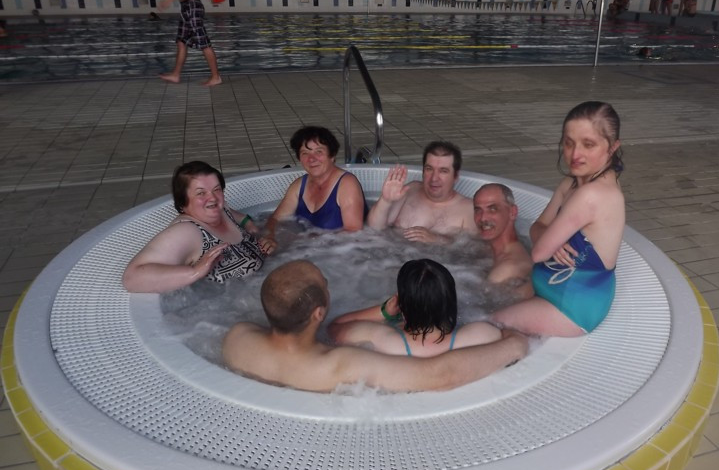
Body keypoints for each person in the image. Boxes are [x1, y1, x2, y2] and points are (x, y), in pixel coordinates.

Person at [222, 260, 529, 392]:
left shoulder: (238, 337)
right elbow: (440, 375)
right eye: (326, 285)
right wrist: (514, 344)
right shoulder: (344, 364)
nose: (329, 288)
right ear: (318, 313)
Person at [492, 102, 625, 337]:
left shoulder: (592, 195)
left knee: (490, 324)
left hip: (572, 306)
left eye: (588, 144)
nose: (575, 154)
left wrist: (547, 242)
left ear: (613, 147)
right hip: (553, 288)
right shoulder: (572, 183)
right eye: (569, 142)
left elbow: (539, 253)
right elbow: (537, 227)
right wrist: (549, 239)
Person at [123, 161, 269, 293]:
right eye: (201, 193)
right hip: (232, 303)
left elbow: (242, 219)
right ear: (183, 201)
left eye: (217, 189)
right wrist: (195, 272)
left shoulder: (222, 209)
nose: (213, 198)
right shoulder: (187, 231)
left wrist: (255, 231)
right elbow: (132, 278)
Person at [329, 258, 508, 356]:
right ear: (450, 300)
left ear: (403, 304)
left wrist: (384, 311)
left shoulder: (386, 342)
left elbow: (334, 327)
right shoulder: (480, 334)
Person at [263, 126, 367, 250]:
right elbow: (275, 219)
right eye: (305, 153)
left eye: (319, 152)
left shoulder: (347, 184)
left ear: (332, 155)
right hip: (311, 250)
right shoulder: (298, 186)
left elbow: (353, 233)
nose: (311, 159)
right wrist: (270, 236)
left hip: (343, 253)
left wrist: (307, 241)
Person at [367, 141, 477, 243]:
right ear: (423, 171)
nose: (434, 178)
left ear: (455, 176)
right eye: (429, 169)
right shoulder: (410, 191)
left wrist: (437, 240)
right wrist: (385, 201)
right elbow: (373, 230)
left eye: (443, 171)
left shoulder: (468, 209)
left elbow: (473, 250)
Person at [473, 183, 533, 296]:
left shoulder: (505, 271)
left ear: (512, 212)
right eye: (478, 210)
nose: (483, 218)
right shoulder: (488, 248)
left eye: (493, 209)